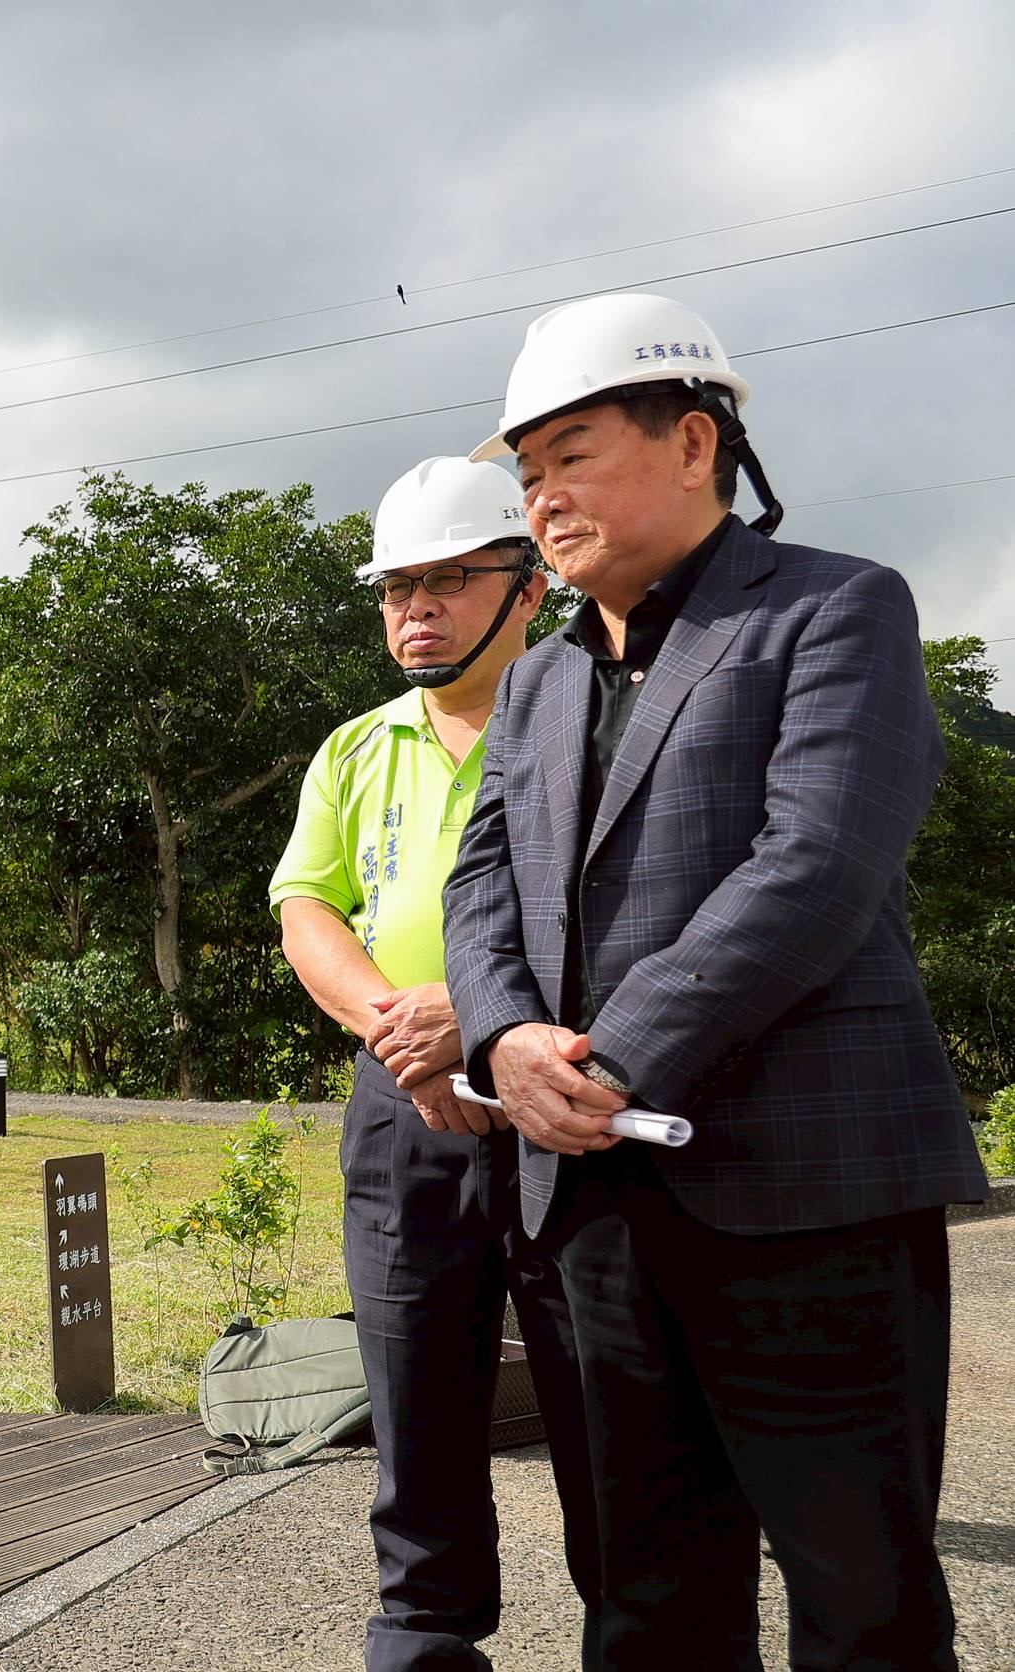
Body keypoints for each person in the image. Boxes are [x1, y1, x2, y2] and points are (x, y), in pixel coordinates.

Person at [444, 292, 988, 1669]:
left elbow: (814, 867)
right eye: (527, 473)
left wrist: (608, 1058)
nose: (543, 497)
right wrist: (504, 1039)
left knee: (858, 1596)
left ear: (694, 443)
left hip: (805, 1197)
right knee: (646, 1597)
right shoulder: (539, 682)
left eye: (571, 456)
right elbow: (481, 886)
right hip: (598, 1208)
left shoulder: (833, 610)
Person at [272, 456, 599, 1671]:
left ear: (526, 585)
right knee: (415, 1388)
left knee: (599, 1398)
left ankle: (634, 1623)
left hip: (563, 1097)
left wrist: (482, 1011)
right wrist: (393, 1025)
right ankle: (422, 1633)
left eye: (451, 579)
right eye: (398, 586)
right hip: (400, 1108)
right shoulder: (355, 749)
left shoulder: (590, 724)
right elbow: (308, 904)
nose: (418, 607)